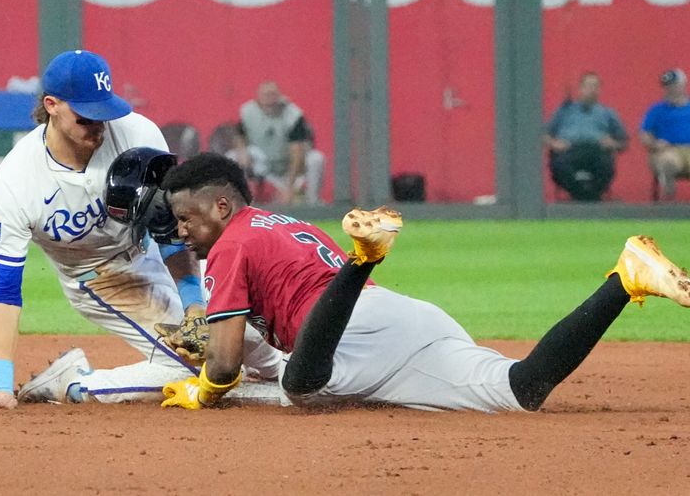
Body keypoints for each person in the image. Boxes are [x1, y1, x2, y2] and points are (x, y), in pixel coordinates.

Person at [154, 152, 690, 412]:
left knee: (300, 385)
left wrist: (204, 391)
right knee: (523, 389)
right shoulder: (283, 222)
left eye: (186, 218)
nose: (181, 231)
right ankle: (626, 279)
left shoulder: (231, 243)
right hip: (404, 319)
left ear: (222, 206)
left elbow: (223, 366)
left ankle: (363, 258)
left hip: (347, 331)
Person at [0, 50, 280, 411]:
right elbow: (3, 288)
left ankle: (281, 374)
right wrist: (0, 386)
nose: (99, 125)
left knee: (242, 331)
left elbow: (167, 225)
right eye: (86, 117)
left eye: (104, 112)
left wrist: (194, 304)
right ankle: (73, 382)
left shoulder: (136, 132)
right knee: (193, 368)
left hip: (152, 250)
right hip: (102, 277)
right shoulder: (17, 180)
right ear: (51, 105)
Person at [544, 72, 628, 201]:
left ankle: (589, 196)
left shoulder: (607, 113)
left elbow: (624, 142)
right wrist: (554, 143)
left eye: (595, 86)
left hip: (596, 150)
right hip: (569, 150)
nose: (592, 90)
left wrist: (613, 144)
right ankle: (582, 195)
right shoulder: (565, 110)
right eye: (588, 86)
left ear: (600, 90)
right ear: (580, 89)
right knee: (560, 166)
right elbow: (544, 134)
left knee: (606, 166)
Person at [238, 81, 324, 204]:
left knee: (316, 158)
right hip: (265, 165)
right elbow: (239, 136)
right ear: (258, 98)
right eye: (265, 95)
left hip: (292, 167)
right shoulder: (247, 111)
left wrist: (289, 186)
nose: (269, 100)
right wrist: (242, 151)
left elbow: (297, 152)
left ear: (279, 97)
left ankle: (313, 202)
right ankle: (242, 205)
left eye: (272, 95)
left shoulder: (293, 115)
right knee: (232, 157)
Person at [641, 68, 690, 201]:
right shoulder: (656, 110)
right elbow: (645, 135)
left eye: (674, 86)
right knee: (668, 163)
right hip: (670, 150)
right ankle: (669, 204)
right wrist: (655, 144)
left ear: (683, 85)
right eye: (667, 87)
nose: (670, 90)